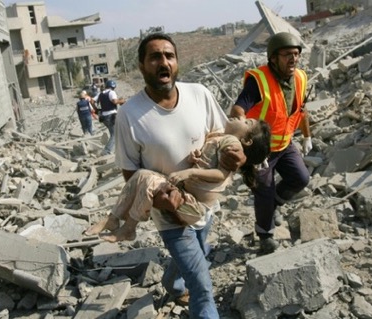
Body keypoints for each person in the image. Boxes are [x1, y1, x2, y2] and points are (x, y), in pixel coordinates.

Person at [107, 33, 244, 318]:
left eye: (169, 56)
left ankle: (172, 281)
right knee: (203, 287)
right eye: (155, 57)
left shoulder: (199, 94)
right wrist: (161, 200)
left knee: (199, 249)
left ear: (177, 63)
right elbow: (131, 174)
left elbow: (222, 136)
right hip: (169, 215)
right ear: (142, 66)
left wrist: (238, 154)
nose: (163, 62)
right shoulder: (130, 115)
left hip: (205, 204)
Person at [85, 117, 271, 242]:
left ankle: (129, 227)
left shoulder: (233, 142)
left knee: (148, 181)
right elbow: (210, 162)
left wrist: (189, 172)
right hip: (186, 197)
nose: (240, 117)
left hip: (194, 207)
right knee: (141, 174)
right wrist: (197, 157)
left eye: (246, 121)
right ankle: (113, 218)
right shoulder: (223, 137)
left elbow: (221, 174)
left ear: (247, 140)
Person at [230, 32, 312, 254]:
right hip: (261, 151)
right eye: (287, 55)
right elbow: (239, 107)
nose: (293, 59)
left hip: (284, 144)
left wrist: (306, 136)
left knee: (301, 178)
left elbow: (302, 111)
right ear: (273, 58)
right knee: (264, 191)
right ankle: (265, 235)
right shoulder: (259, 81)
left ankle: (275, 204)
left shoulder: (301, 78)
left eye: (296, 54)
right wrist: (240, 128)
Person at [96, 79, 126, 156]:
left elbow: (92, 101)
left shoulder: (101, 94)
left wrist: (96, 110)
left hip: (104, 116)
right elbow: (114, 101)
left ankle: (116, 149)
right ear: (113, 87)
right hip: (111, 116)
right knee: (115, 134)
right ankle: (106, 151)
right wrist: (121, 101)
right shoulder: (111, 92)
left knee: (113, 133)